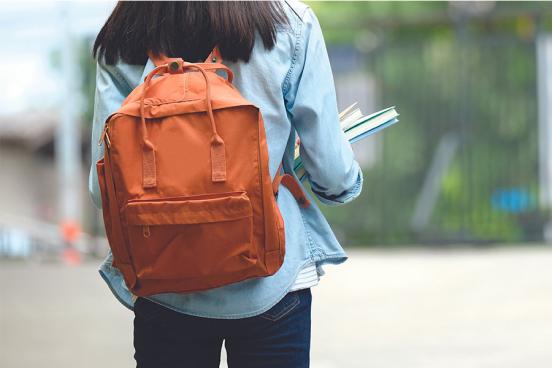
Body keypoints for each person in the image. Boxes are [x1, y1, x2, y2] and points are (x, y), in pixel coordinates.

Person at [89, 1, 363, 367]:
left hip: (162, 281)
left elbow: (101, 188)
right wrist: (342, 184)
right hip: (272, 281)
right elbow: (332, 171)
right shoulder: (288, 23)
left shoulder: (124, 31)